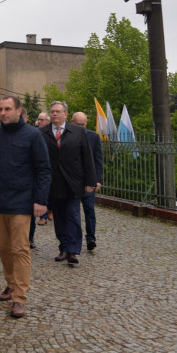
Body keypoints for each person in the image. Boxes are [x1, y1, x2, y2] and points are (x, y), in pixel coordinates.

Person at [0, 95, 50, 319]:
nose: (4, 113)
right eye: (1, 109)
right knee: (5, 249)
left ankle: (19, 298)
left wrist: (41, 201)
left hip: (22, 202)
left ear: (19, 111)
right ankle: (10, 284)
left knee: (20, 249)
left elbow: (44, 170)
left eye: (8, 109)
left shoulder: (33, 136)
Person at [41, 101, 97, 266]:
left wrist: (90, 181)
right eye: (52, 112)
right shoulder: (42, 132)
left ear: (66, 114)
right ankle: (63, 247)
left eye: (58, 111)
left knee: (73, 215)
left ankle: (73, 250)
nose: (55, 114)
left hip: (74, 182)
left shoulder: (78, 131)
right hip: (54, 182)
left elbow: (87, 157)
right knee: (59, 217)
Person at [71, 111, 104, 251]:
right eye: (77, 124)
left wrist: (98, 180)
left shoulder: (93, 137)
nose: (80, 127)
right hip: (72, 180)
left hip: (89, 181)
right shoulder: (67, 136)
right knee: (73, 212)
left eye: (82, 125)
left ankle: (91, 237)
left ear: (86, 123)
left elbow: (98, 160)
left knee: (89, 209)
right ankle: (73, 239)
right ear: (72, 123)